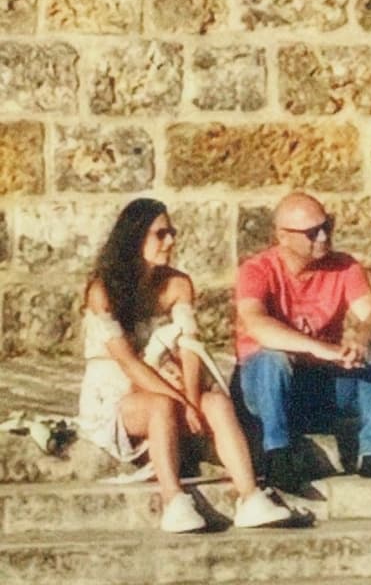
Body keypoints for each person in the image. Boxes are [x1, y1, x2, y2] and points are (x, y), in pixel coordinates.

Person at [80, 198, 300, 533]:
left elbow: (190, 345)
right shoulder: (103, 290)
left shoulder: (179, 284)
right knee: (162, 406)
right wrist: (181, 401)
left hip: (165, 378)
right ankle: (174, 499)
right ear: (135, 238)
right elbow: (126, 362)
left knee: (217, 403)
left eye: (172, 233)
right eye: (160, 234)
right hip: (116, 389)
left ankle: (250, 495)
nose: (170, 242)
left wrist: (194, 397)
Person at [232, 192, 371, 491]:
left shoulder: (344, 267)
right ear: (283, 236)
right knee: (271, 358)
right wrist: (322, 348)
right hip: (267, 388)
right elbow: (257, 324)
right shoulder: (256, 271)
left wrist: (363, 336)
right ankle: (277, 456)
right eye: (312, 232)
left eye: (327, 226)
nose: (323, 236)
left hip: (318, 383)